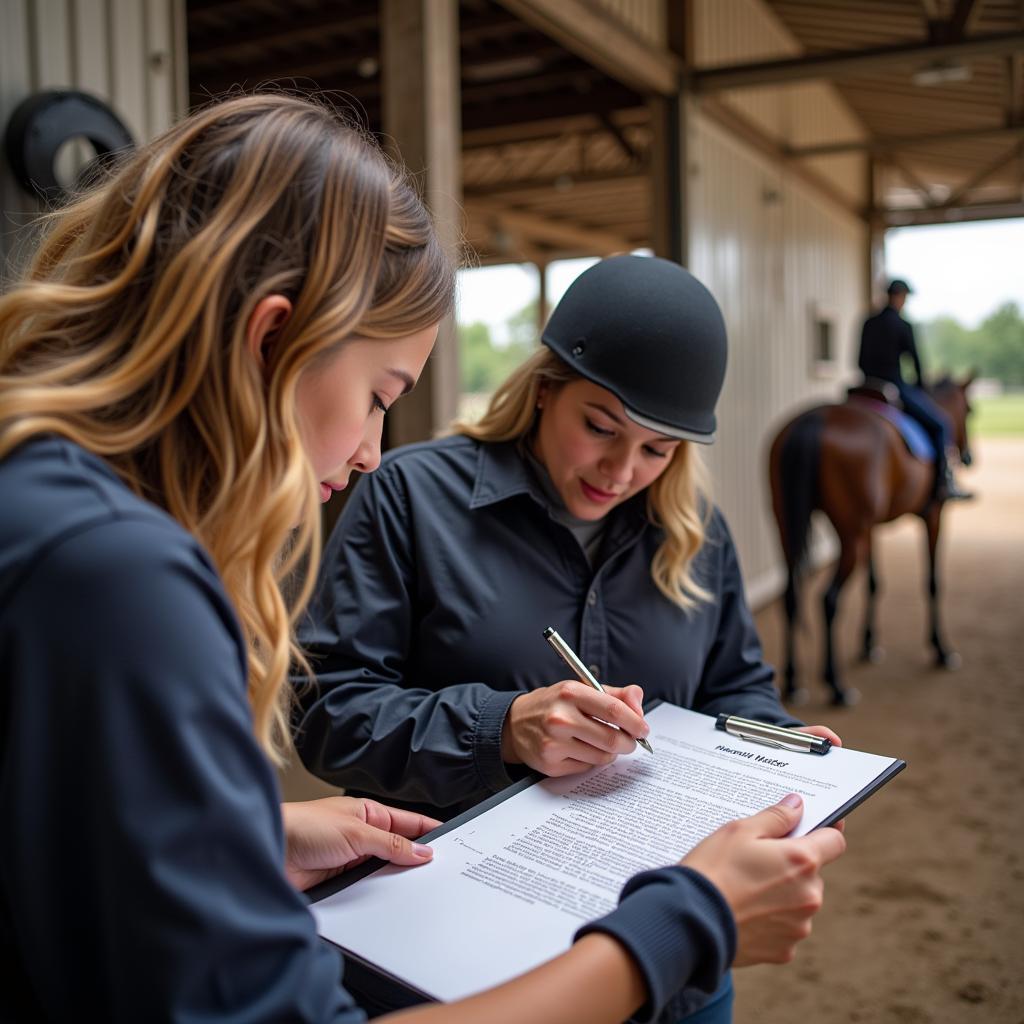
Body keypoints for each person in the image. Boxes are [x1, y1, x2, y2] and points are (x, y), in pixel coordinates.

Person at [0, 96, 845, 1024]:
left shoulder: (48, 510)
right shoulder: (130, 578)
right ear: (270, 338)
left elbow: (64, 849)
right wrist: (679, 916)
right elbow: (322, 716)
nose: (369, 449)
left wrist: (249, 837)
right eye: (377, 395)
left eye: (658, 450)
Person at [294, 255, 844, 1022]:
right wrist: (501, 731)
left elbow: (736, 687)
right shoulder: (409, 496)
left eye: (659, 450)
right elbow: (326, 714)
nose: (622, 471)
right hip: (456, 950)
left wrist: (778, 755)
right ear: (544, 388)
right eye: (601, 427)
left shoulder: (697, 532)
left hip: (672, 961)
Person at [858, 278, 972, 501]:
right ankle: (943, 482)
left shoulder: (869, 323)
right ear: (900, 298)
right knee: (941, 425)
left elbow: (859, 361)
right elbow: (916, 363)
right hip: (893, 385)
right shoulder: (902, 325)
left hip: (865, 385)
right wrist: (920, 387)